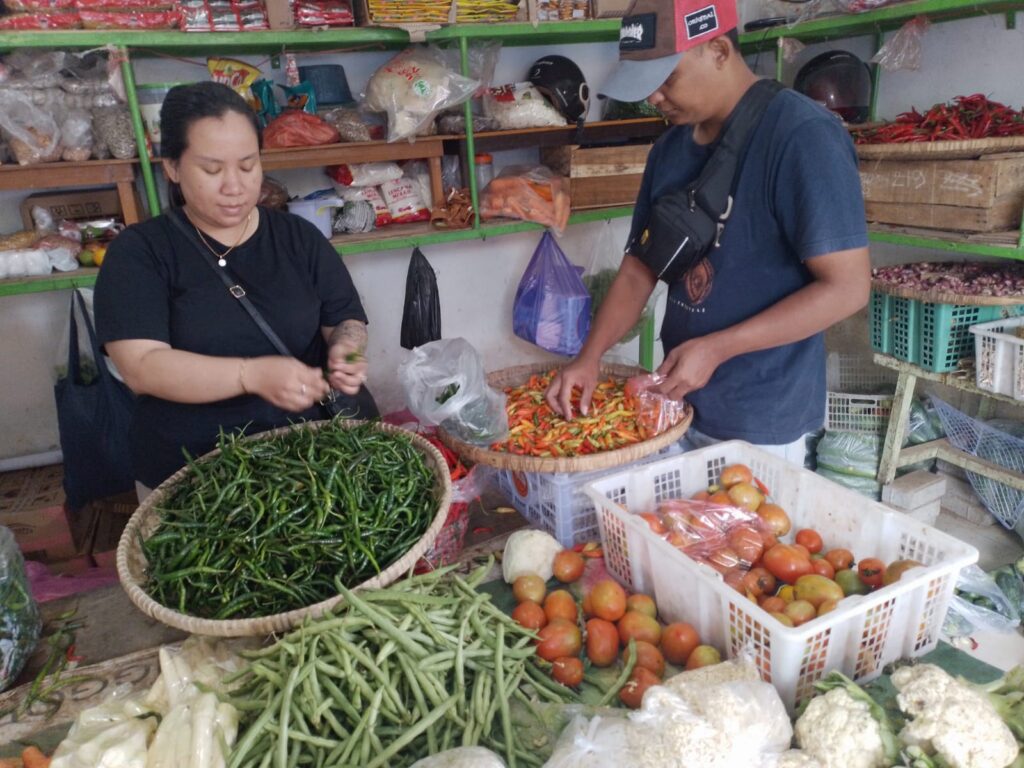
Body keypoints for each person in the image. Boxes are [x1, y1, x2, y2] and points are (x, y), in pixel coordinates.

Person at [546, 0, 871, 462]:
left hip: (760, 421)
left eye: (666, 79)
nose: (653, 97)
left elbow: (848, 288)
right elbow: (640, 271)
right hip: (676, 407)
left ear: (718, 50)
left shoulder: (802, 136)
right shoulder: (669, 150)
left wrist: (719, 348)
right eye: (645, 85)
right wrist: (589, 356)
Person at [95, 81, 377, 497]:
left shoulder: (298, 237)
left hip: (318, 457)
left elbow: (345, 319)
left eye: (248, 166)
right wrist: (251, 375)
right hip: (196, 472)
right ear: (172, 166)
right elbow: (141, 367)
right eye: (212, 170)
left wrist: (347, 354)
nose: (235, 186)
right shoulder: (140, 254)